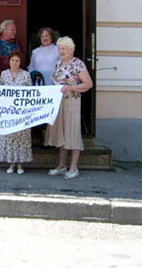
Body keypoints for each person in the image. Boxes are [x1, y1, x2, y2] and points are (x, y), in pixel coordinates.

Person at [45, 36, 93, 180]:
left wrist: (71, 87)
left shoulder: (77, 64)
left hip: (72, 101)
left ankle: (73, 167)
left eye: (64, 48)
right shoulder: (58, 63)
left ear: (71, 49)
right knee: (61, 132)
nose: (61, 51)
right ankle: (61, 165)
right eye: (59, 48)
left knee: (72, 132)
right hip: (58, 102)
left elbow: (88, 84)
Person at [0, 50, 33, 175]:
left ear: (20, 62)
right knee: (9, 137)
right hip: (8, 113)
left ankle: (20, 164)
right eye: (12, 60)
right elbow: (0, 91)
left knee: (21, 138)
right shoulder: (4, 74)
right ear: (9, 61)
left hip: (21, 113)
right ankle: (11, 163)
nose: (15, 63)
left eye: (17, 60)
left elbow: (31, 93)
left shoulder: (26, 75)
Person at [0, 19, 25, 85]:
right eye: (12, 30)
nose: (15, 32)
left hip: (17, 80)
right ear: (4, 30)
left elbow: (23, 62)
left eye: (15, 30)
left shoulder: (18, 44)